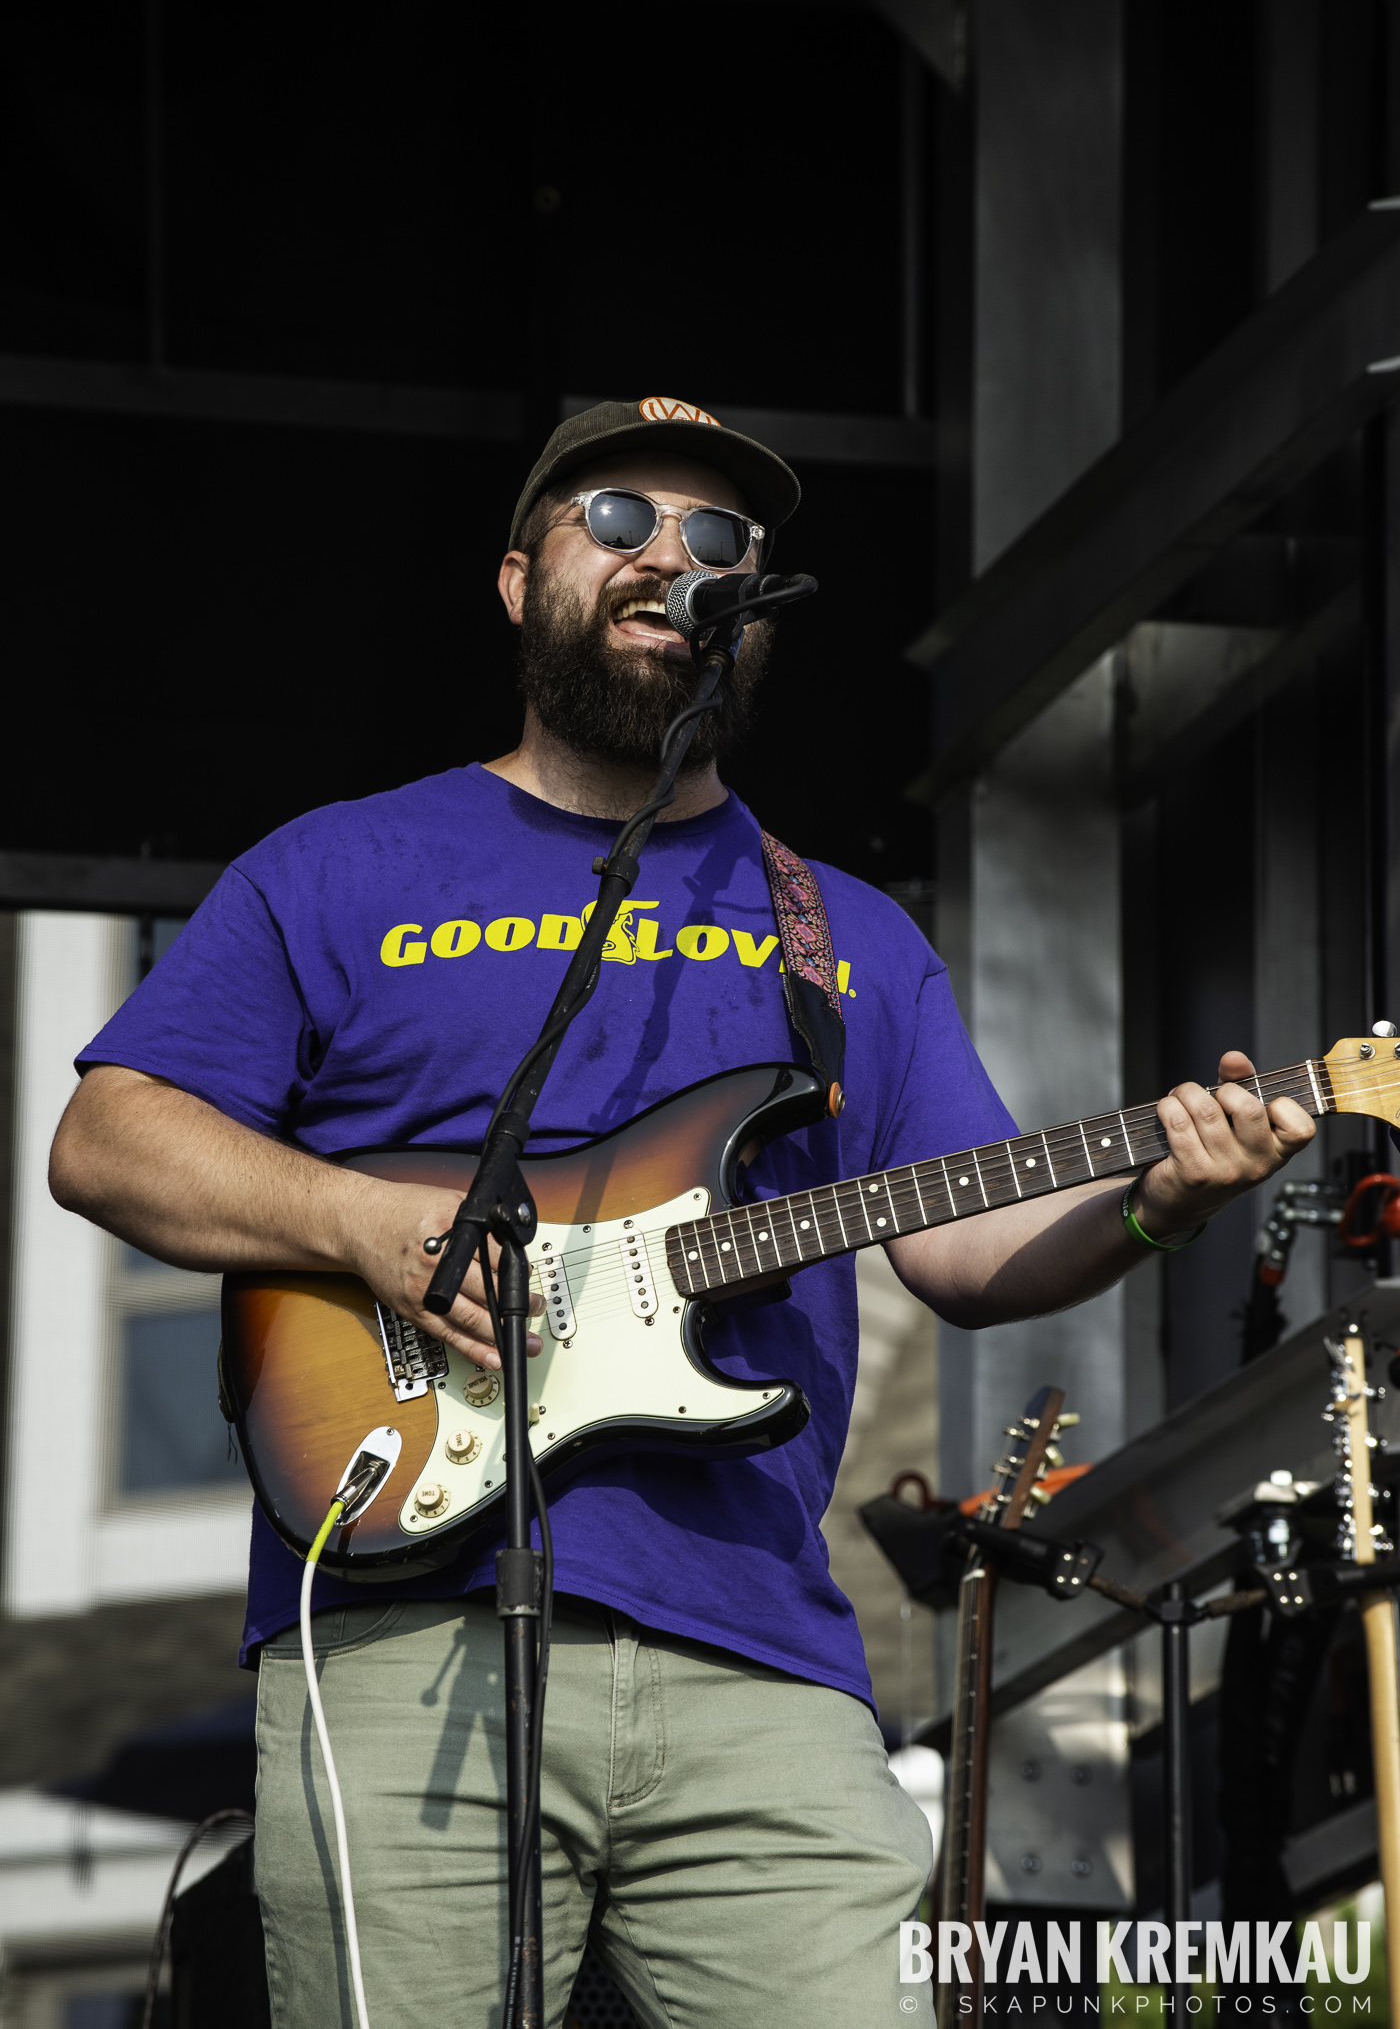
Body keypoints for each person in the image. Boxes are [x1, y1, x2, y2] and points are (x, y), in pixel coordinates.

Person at [49, 398, 1313, 2029]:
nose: (673, 557)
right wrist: (367, 1227)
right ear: (519, 582)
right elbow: (109, 1137)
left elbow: (969, 1246)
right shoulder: (338, 867)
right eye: (622, 519)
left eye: (720, 540)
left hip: (762, 1664)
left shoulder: (836, 927)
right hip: (406, 1627)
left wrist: (1154, 1204)